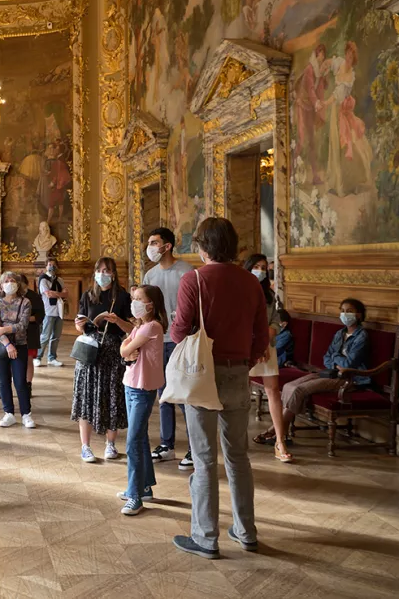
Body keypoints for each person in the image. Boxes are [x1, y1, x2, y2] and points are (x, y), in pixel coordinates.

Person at [169, 217, 268, 559]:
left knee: (204, 458)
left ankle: (206, 537)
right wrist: (246, 361)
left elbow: (180, 331)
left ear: (202, 245)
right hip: (239, 372)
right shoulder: (251, 282)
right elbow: (262, 335)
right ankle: (246, 531)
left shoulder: (193, 279)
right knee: (238, 456)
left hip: (203, 375)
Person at [256, 299, 370, 450]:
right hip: (331, 372)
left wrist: (335, 359)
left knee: (299, 390)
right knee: (290, 386)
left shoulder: (362, 336)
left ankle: (276, 432)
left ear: (359, 315)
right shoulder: (339, 334)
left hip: (350, 378)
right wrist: (336, 362)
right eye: (342, 310)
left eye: (349, 311)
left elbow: (350, 364)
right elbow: (326, 358)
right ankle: (281, 432)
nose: (344, 314)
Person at [143, 227, 195, 470]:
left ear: (168, 245)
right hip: (156, 340)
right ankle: (167, 444)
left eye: (155, 242)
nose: (151, 247)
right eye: (149, 242)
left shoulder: (186, 272)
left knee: (183, 394)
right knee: (163, 395)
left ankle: (194, 448)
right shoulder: (150, 276)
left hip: (180, 341)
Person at [72, 257, 133, 463]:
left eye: (106, 270)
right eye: (99, 270)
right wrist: (80, 325)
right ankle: (85, 446)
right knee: (86, 397)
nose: (102, 274)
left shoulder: (123, 297)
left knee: (111, 397)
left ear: (113, 274)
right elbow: (79, 325)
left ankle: (111, 443)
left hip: (112, 352)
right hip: (90, 351)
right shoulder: (88, 296)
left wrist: (119, 321)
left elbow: (133, 328)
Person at [118, 285, 168, 516]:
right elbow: (123, 348)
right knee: (140, 438)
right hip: (131, 384)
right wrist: (127, 349)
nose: (134, 302)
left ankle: (135, 496)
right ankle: (144, 486)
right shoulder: (139, 326)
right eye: (133, 298)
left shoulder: (152, 326)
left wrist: (127, 349)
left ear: (151, 304)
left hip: (142, 389)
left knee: (133, 441)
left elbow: (126, 349)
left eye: (139, 299)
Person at [243, 254, 291, 462]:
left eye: (263, 267)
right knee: (241, 393)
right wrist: (255, 343)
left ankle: (280, 441)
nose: (261, 270)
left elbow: (275, 321)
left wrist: (264, 342)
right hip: (244, 347)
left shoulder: (270, 295)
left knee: (273, 391)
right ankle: (238, 439)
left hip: (267, 349)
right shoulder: (239, 292)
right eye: (256, 266)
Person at [0, 271, 35, 429]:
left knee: (20, 381)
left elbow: (22, 326)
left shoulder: (25, 302)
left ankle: (26, 414)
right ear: (1, 285)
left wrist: (3, 329)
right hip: (0, 346)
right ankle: (8, 413)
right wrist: (7, 344)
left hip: (21, 345)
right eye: (6, 281)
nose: (10, 283)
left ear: (18, 284)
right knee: (3, 381)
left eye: (12, 280)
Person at [35, 257, 68, 367]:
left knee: (56, 336)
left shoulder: (60, 280)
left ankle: (52, 357)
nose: (51, 267)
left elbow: (66, 293)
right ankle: (38, 357)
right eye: (49, 264)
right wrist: (59, 293)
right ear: (46, 266)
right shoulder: (43, 279)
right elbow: (48, 294)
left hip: (59, 311)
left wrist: (57, 293)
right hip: (48, 311)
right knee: (45, 336)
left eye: (53, 265)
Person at [18, 273, 44, 395]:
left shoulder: (34, 296)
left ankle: (28, 385)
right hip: (14, 333)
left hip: (30, 332)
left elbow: (40, 316)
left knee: (28, 360)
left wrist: (25, 319)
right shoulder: (12, 296)